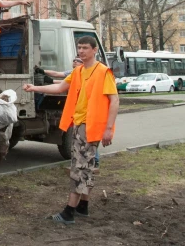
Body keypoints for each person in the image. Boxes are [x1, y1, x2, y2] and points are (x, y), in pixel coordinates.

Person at [23, 36, 119, 225]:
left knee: (79, 168)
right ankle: (83, 207)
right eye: (79, 48)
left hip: (91, 127)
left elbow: (114, 100)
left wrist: (108, 129)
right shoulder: (78, 71)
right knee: (86, 166)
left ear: (94, 50)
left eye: (85, 48)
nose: (81, 51)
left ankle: (69, 212)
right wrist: (34, 87)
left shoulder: (103, 72)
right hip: (78, 125)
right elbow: (59, 87)